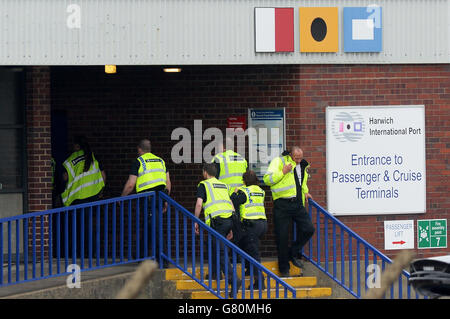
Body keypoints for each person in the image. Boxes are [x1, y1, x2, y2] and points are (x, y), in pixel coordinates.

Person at [263, 146, 314, 277]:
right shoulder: (279, 162)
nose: (298, 161)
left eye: (300, 158)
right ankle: (284, 269)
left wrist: (306, 192)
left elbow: (302, 182)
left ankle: (293, 252)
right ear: (291, 155)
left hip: (297, 203)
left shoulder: (302, 165)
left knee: (309, 229)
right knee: (282, 237)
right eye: (296, 158)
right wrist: (283, 172)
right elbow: (267, 180)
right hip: (282, 204)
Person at [120, 139, 171, 261]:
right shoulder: (161, 161)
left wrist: (122, 197)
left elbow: (131, 184)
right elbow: (168, 182)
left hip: (148, 200)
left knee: (154, 227)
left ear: (139, 149)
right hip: (160, 197)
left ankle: (163, 260)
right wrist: (166, 200)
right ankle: (141, 254)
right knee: (150, 226)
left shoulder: (139, 162)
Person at [194, 163, 240, 289]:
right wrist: (231, 226)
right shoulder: (224, 185)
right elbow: (231, 204)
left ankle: (233, 279)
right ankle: (215, 274)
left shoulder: (203, 185)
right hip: (228, 220)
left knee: (219, 251)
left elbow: (199, 204)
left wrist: (195, 220)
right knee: (214, 247)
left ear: (205, 173)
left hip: (217, 222)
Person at [230, 170, 267, 289]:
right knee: (243, 244)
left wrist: (235, 192)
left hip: (251, 225)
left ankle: (260, 282)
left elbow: (233, 200)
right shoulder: (261, 191)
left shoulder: (244, 191)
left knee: (253, 254)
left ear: (244, 181)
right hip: (262, 224)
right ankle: (248, 269)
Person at [61, 135, 106, 206]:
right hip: (94, 195)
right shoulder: (94, 157)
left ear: (77, 146)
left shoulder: (71, 159)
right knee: (91, 216)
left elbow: (65, 177)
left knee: (79, 217)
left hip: (78, 197)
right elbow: (103, 176)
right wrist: (101, 192)